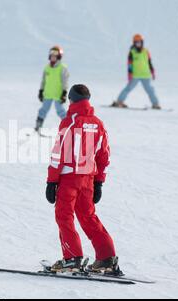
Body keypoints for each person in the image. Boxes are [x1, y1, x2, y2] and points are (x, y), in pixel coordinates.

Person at [46, 84, 123, 275]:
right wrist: (98, 182)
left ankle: (72, 259)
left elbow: (59, 154)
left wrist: (51, 181)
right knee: (88, 216)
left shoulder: (69, 122)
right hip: (88, 179)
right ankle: (106, 258)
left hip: (69, 178)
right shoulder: (98, 123)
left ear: (71, 100)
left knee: (64, 215)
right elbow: (104, 155)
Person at [112, 34, 161, 110]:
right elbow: (129, 64)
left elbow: (149, 62)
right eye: (136, 42)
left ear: (142, 42)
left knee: (150, 90)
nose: (138, 44)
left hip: (146, 75)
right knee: (128, 88)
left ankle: (156, 104)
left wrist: (153, 71)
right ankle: (119, 102)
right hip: (135, 75)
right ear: (134, 43)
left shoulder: (146, 51)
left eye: (139, 42)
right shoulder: (132, 52)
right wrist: (129, 74)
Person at [35, 46, 70, 132]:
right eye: (52, 54)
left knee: (60, 111)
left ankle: (68, 127)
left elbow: (65, 81)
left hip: (58, 94)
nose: (53, 56)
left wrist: (64, 93)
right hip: (48, 94)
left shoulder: (62, 68)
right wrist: (41, 91)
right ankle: (38, 127)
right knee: (43, 110)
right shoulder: (47, 68)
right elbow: (43, 81)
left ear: (59, 56)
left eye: (55, 54)